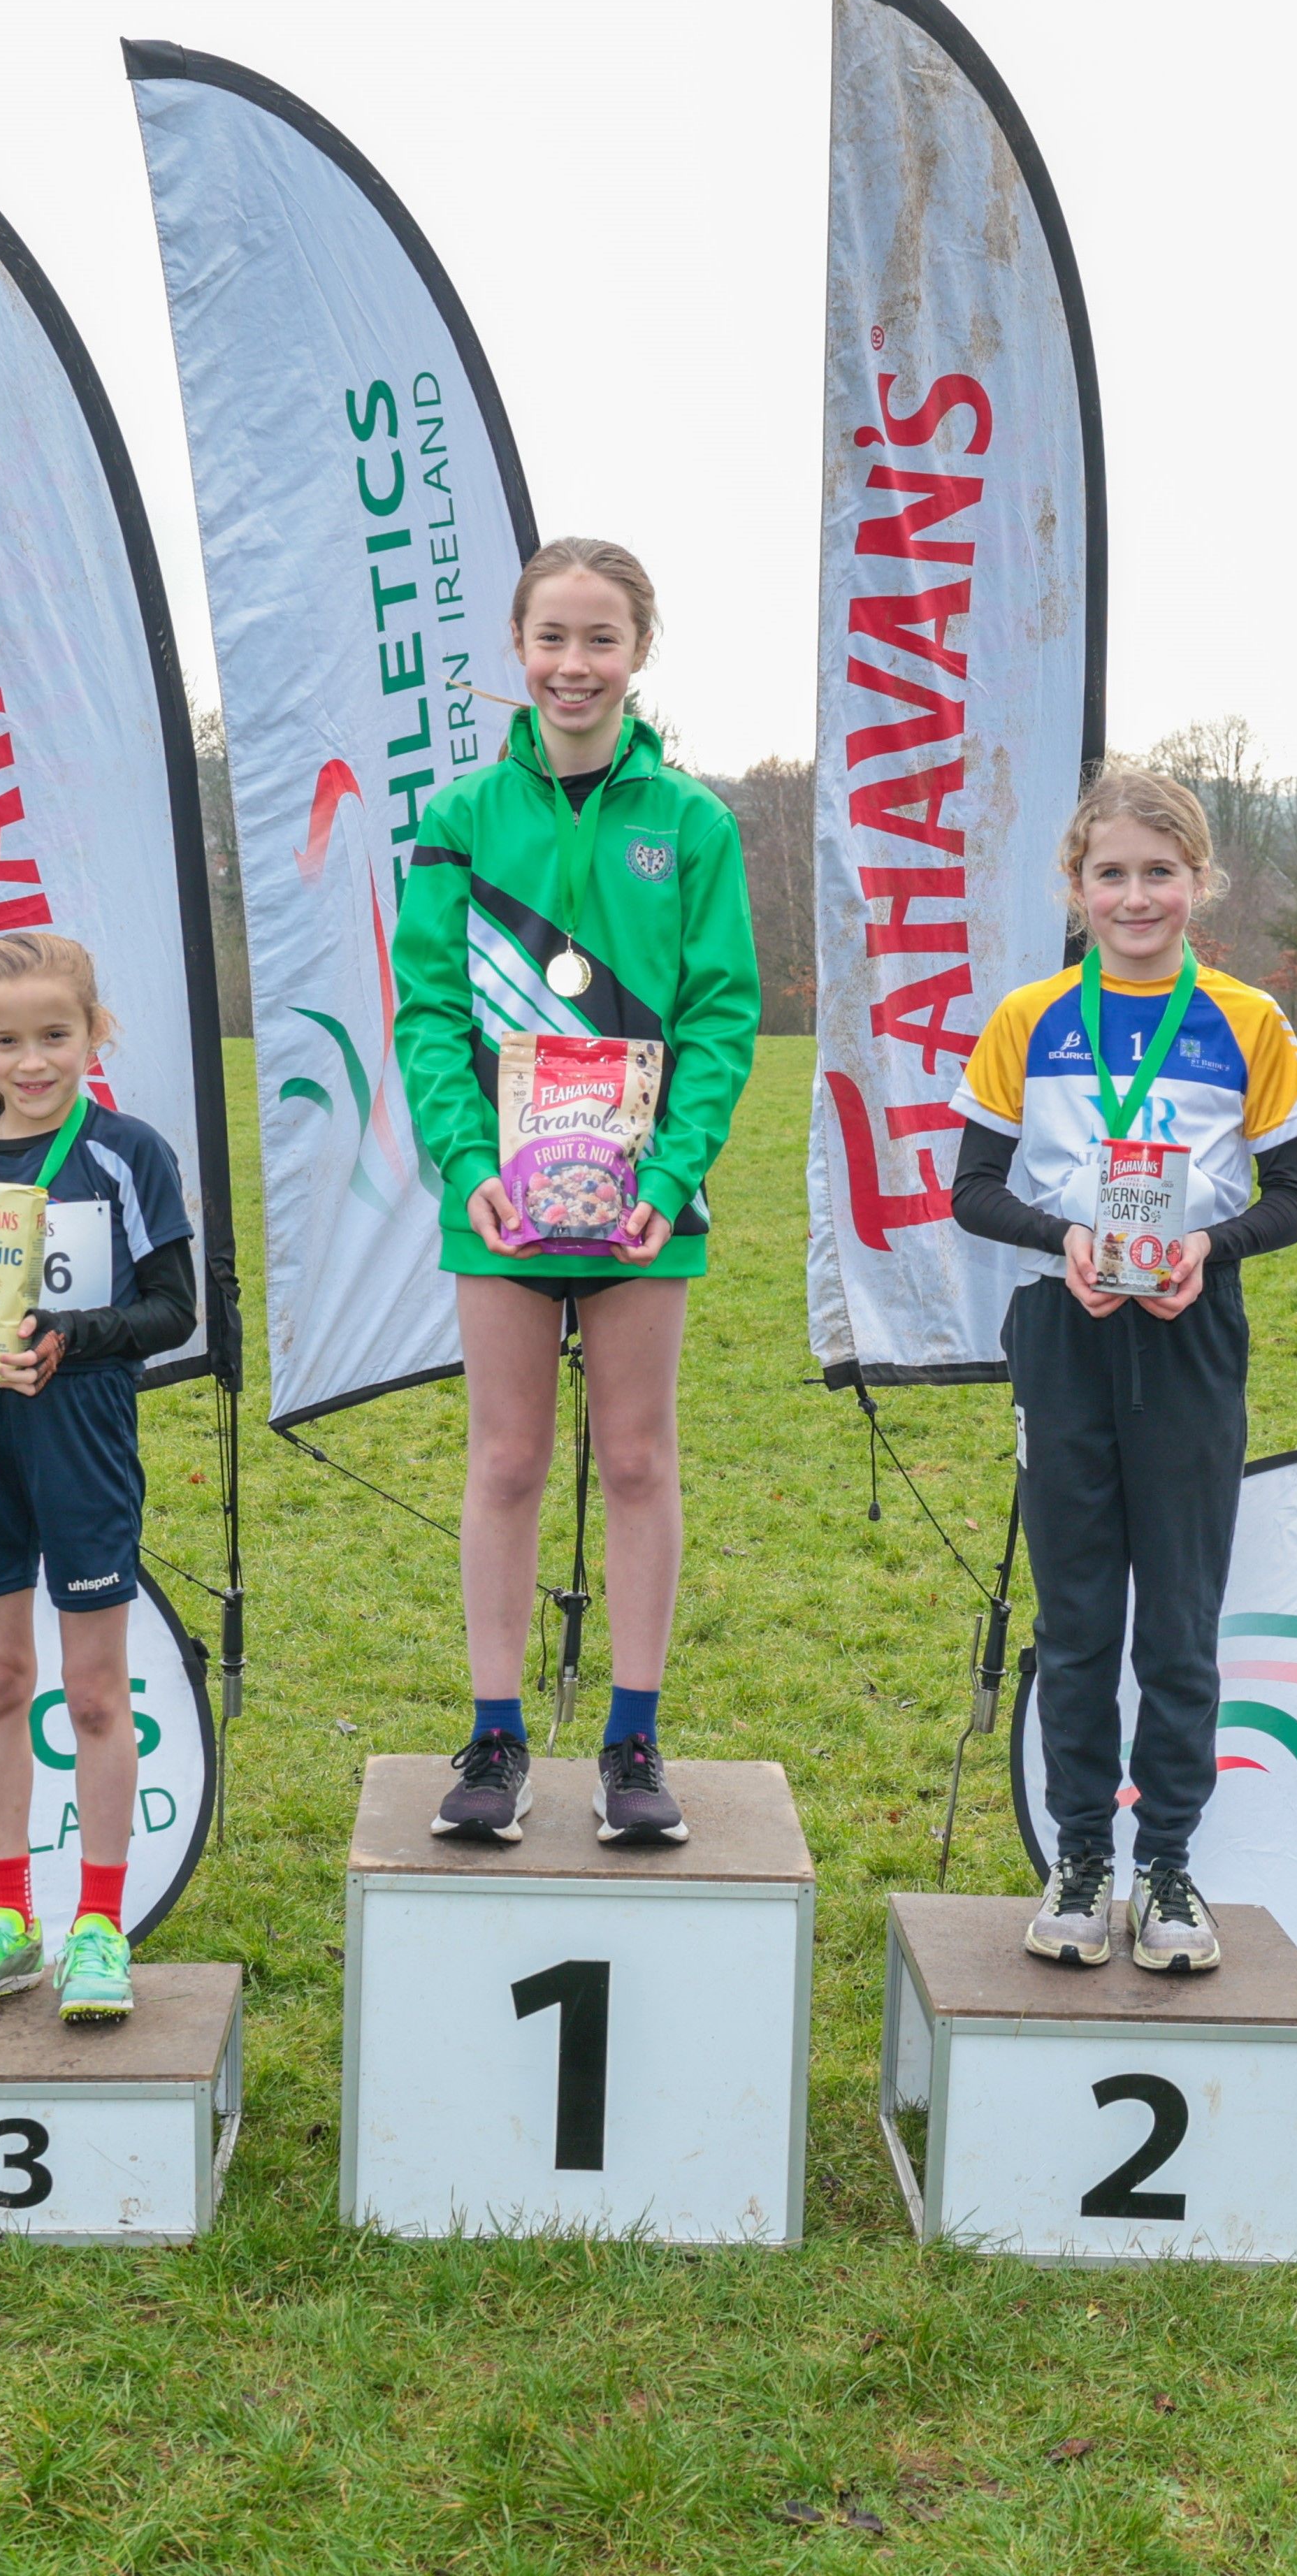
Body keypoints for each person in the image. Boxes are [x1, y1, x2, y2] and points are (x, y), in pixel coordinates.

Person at [392, 539, 760, 1845]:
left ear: (638, 652)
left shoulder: (692, 823)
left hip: (644, 1206)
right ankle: (495, 1739)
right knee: (505, 1461)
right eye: (551, 637)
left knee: (639, 1460)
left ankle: (631, 1741)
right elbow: (427, 1012)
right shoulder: (457, 819)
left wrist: (670, 1174)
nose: (573, 664)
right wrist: (468, 1167)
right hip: (499, 1204)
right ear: (517, 646)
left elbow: (721, 1016)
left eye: (600, 639)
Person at [950, 767, 1297, 1974]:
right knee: (1075, 1620)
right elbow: (972, 1190)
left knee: (1175, 1622)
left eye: (1158, 873)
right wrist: (1061, 1236)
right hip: (1062, 1330)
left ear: (1199, 882)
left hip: (1188, 1330)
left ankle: (1165, 1865)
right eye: (1109, 873)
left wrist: (1208, 1249)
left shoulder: (1246, 1020)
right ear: (1074, 886)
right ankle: (1076, 1859)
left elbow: (1293, 1201)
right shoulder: (1026, 1018)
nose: (1134, 896)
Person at [0, 930, 196, 2025]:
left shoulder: (124, 1154)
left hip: (82, 1433)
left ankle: (98, 1925)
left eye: (55, 1036)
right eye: (8, 1041)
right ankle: (8, 1921)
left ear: (93, 1033)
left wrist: (69, 1332)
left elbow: (175, 1310)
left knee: (96, 1690)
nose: (32, 1061)